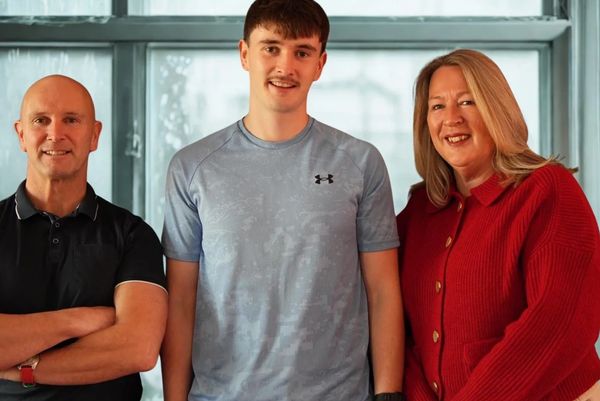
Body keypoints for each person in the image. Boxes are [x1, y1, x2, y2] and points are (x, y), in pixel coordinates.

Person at [160, 1, 405, 400]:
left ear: (320, 64)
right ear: (245, 54)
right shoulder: (192, 167)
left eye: (302, 52)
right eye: (271, 48)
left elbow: (382, 291)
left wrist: (389, 394)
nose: (285, 66)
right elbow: (181, 301)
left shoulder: (360, 162)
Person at [397, 48, 600, 401]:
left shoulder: (546, 190)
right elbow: (398, 327)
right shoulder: (419, 211)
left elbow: (558, 321)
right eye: (437, 106)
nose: (451, 118)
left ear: (496, 109)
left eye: (467, 102)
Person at [0, 74, 168, 401]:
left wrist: (23, 370)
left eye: (71, 120)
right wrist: (79, 321)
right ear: (21, 135)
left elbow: (138, 348)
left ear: (94, 135)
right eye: (41, 120)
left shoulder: (133, 235)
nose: (55, 134)